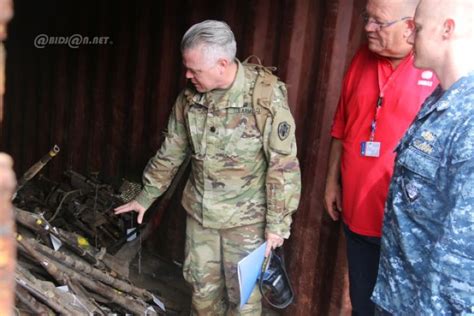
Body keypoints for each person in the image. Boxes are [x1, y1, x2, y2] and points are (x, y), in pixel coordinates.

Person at [114, 20, 301, 315]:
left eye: (194, 69)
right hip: (201, 218)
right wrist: (145, 197)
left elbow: (283, 164)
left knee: (243, 302)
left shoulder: (264, 97)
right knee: (201, 296)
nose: (187, 75)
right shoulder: (189, 98)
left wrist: (278, 226)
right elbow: (171, 150)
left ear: (222, 64)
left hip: (247, 222)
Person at [323, 0, 438, 314]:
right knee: (362, 302)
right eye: (367, 18)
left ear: (410, 26)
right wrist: (332, 181)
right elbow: (342, 123)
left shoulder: (436, 71)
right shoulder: (362, 57)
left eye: (378, 22)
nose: (367, 28)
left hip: (403, 227)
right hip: (357, 214)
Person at [372, 0, 474, 314]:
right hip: (398, 296)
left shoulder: (469, 120)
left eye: (416, 29)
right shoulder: (441, 99)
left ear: (447, 29)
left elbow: (463, 263)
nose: (410, 38)